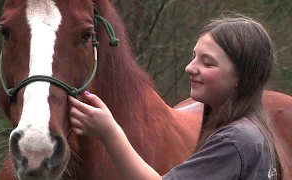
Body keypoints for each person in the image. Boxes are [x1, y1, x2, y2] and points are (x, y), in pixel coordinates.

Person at [68, 14, 282, 180]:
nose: (189, 68)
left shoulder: (235, 141)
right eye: (194, 56)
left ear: (242, 76)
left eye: (207, 63)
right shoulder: (251, 131)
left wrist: (109, 132)